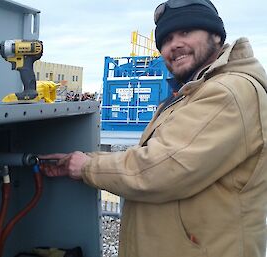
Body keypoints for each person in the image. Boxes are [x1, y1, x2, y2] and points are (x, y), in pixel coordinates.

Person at [39, 1, 267, 257]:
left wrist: (86, 166)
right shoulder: (195, 91)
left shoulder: (226, 92)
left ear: (216, 34)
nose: (174, 45)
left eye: (186, 32)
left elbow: (160, 169)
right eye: (166, 39)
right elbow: (159, 156)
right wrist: (87, 159)